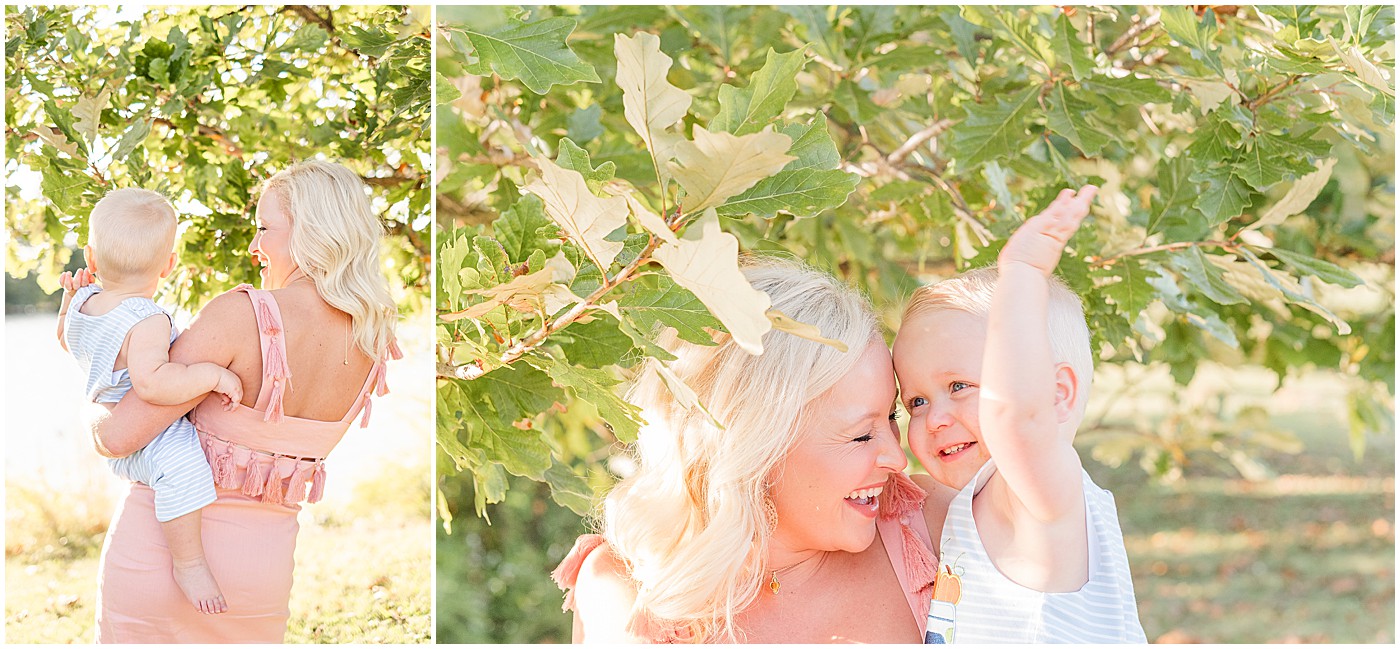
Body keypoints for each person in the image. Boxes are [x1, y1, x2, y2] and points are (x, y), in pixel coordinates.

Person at [553, 259, 959, 643]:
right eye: (860, 436)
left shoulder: (936, 528)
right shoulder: (623, 591)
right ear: (756, 446)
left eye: (891, 417)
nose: (898, 458)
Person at [88, 160, 402, 642]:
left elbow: (117, 437)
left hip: (161, 560)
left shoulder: (241, 314)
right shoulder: (371, 341)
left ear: (310, 231)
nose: (255, 245)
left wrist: (90, 346)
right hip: (264, 577)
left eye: (263, 228)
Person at [892, 186, 1147, 643]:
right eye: (916, 402)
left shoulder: (1042, 495)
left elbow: (1018, 423)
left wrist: (1023, 275)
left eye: (959, 386)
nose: (934, 419)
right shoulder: (978, 500)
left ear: (1055, 394)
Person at [56, 188, 242, 615]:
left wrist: (69, 300)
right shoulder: (147, 318)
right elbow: (154, 386)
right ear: (169, 265)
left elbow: (66, 339)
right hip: (148, 439)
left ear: (91, 257)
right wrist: (210, 374)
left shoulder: (84, 302)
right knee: (184, 464)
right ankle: (189, 562)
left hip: (112, 424)